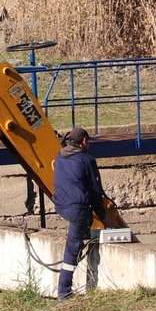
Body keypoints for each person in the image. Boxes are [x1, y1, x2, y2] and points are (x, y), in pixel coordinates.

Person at [50, 126, 108, 300]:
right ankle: (64, 291)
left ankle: (85, 232)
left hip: (60, 205)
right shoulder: (86, 160)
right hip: (76, 209)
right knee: (72, 248)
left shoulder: (60, 156)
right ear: (84, 142)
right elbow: (96, 190)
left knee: (82, 227)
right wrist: (103, 216)